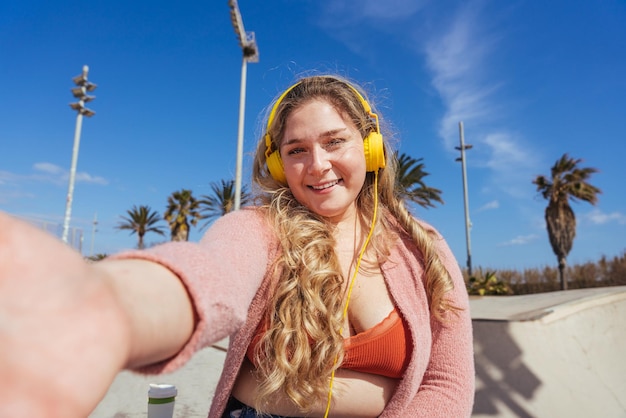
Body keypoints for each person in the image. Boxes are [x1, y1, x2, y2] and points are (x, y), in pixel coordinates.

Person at [0, 74, 474, 417]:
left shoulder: (423, 247)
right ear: (277, 165)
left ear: (369, 149)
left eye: (335, 142)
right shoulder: (258, 229)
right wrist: (111, 310)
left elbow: (449, 384)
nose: (318, 165)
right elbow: (213, 275)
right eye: (296, 150)